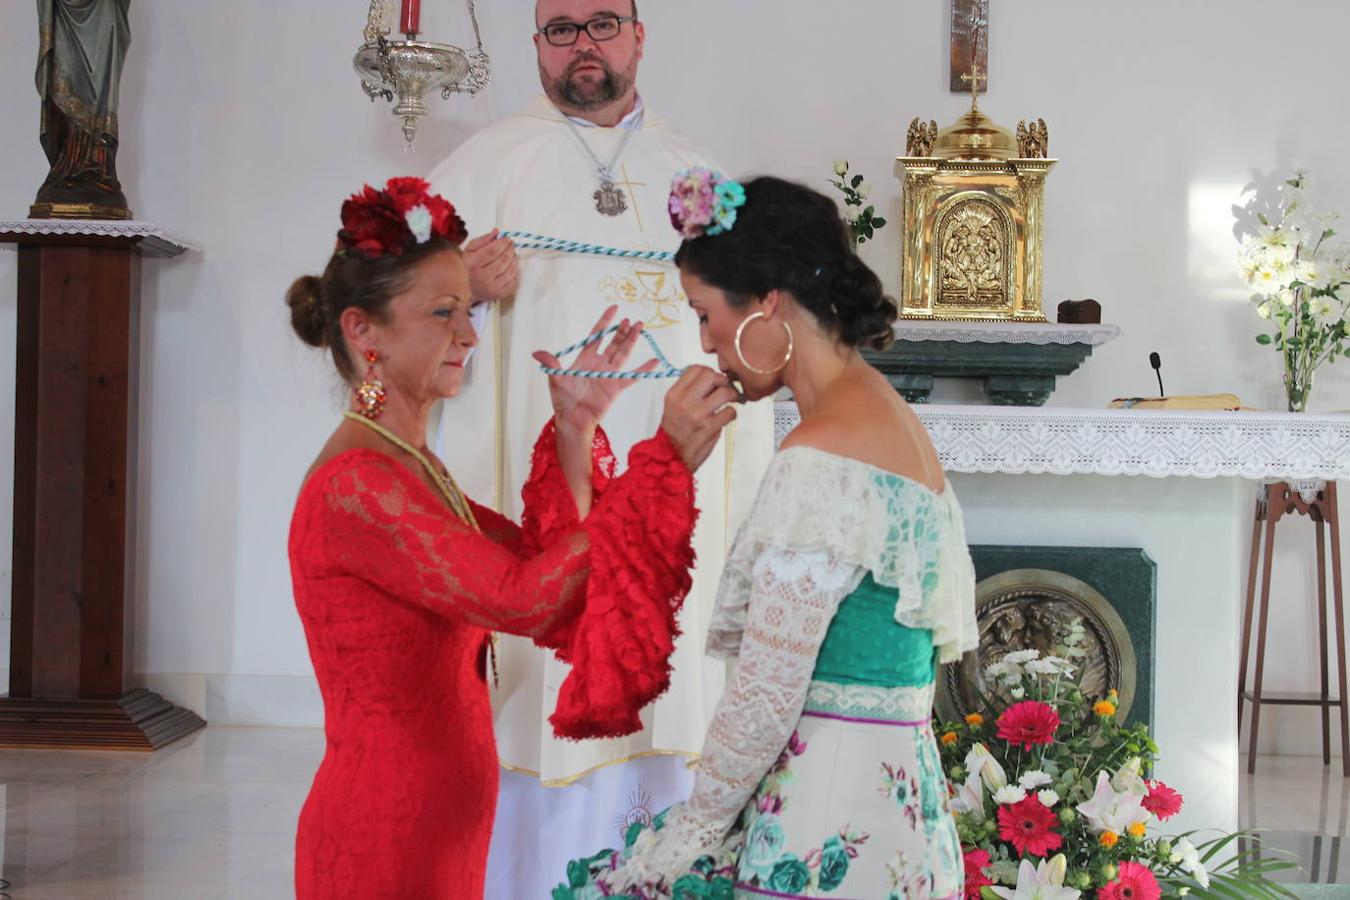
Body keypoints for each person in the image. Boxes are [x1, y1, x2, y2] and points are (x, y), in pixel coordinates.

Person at [284, 176, 739, 899]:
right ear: (361, 331)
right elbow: (523, 600)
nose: (468, 332)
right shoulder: (357, 486)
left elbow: (544, 569)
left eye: (467, 310)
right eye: (442, 312)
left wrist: (574, 430)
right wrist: (664, 461)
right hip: (384, 837)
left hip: (436, 825)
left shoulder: (405, 464)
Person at [426, 2, 775, 893]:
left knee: (673, 663)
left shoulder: (700, 177)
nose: (584, 44)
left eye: (602, 23)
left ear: (639, 35)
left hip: (678, 485)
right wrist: (458, 281)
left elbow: (754, 332)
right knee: (546, 673)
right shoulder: (483, 166)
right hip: (536, 493)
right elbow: (372, 307)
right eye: (561, 28)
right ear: (535, 44)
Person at [557, 172, 980, 900]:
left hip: (823, 829)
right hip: (904, 822)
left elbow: (764, 695)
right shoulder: (889, 420)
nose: (705, 342)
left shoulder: (819, 456)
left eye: (704, 313)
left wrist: (683, 840)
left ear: (767, 306)